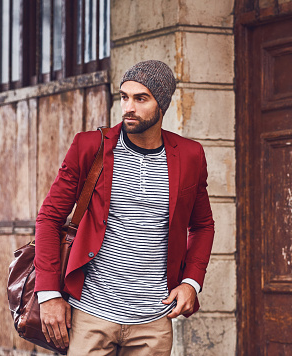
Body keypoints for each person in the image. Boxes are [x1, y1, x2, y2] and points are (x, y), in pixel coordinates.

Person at [33, 60, 215, 355]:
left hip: (154, 320)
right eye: (124, 97)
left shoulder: (191, 155)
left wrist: (191, 282)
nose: (128, 107)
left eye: (141, 98)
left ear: (162, 104)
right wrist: (49, 294)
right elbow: (49, 217)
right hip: (90, 314)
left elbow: (203, 225)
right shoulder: (90, 146)